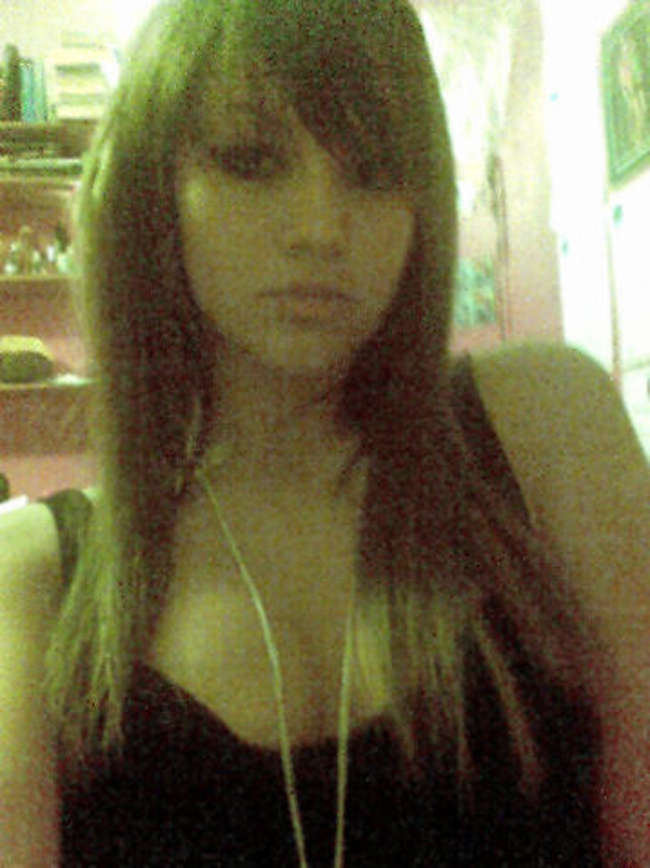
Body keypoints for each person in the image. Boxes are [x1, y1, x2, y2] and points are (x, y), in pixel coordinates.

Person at [1, 0, 649, 865]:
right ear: (153, 194)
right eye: (251, 160)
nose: (320, 229)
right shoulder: (32, 581)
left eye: (375, 171)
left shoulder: (544, 425)